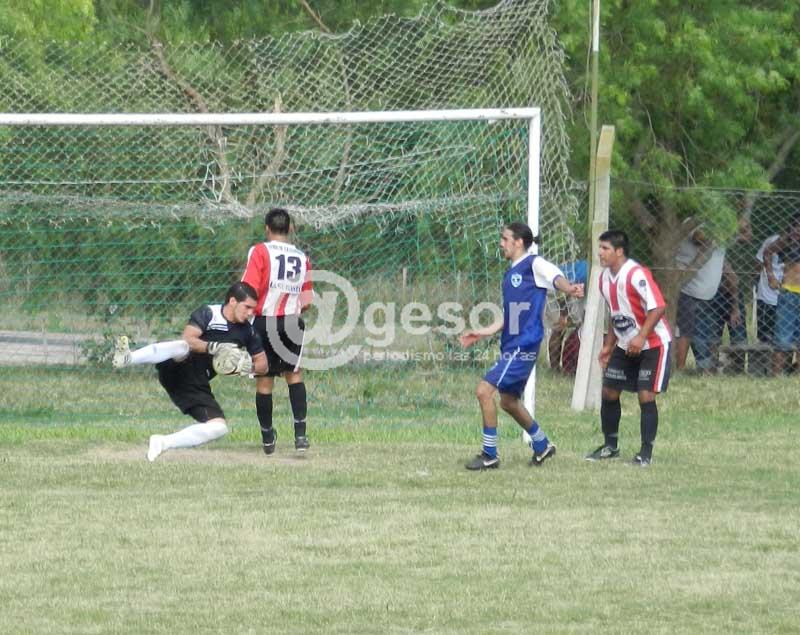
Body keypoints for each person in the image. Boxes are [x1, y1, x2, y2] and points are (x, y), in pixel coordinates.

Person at [458, 222, 584, 470]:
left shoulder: (533, 264)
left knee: (484, 391)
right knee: (508, 401)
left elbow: (554, 275)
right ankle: (542, 445)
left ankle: (489, 454)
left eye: (505, 239)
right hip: (513, 343)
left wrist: (568, 287)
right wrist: (482, 332)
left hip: (523, 343)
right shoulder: (511, 273)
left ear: (518, 242)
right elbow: (512, 315)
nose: (501, 243)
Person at [112, 281, 267, 462]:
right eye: (247, 307)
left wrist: (244, 366)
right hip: (178, 366)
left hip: (195, 383)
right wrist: (215, 347)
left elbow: (263, 364)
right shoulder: (209, 313)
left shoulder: (248, 331)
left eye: (253, 309)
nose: (250, 313)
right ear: (232, 301)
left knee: (219, 427)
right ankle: (127, 358)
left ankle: (163, 442)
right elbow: (189, 338)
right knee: (182, 346)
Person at [586, 230, 671, 467]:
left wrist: (641, 337)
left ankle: (645, 453)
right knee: (609, 393)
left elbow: (658, 307)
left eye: (605, 248)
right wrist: (608, 346)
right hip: (625, 345)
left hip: (653, 344)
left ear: (619, 251)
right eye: (599, 248)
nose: (600, 253)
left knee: (646, 395)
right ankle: (610, 446)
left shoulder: (636, 274)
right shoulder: (604, 279)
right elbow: (617, 315)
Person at [242, 208, 314, 455]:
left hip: (264, 322)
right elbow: (307, 300)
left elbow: (249, 288)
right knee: (294, 375)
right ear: (291, 228)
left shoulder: (260, 251)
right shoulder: (302, 257)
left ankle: (267, 439)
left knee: (264, 381)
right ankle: (301, 436)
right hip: (292, 322)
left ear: (267, 229)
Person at [673, 226, 725, 372]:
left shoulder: (723, 227)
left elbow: (746, 234)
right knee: (685, 332)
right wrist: (723, 231)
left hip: (708, 294)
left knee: (707, 334)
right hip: (688, 290)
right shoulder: (693, 223)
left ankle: (705, 369)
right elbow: (699, 238)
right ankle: (679, 370)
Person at [764, 216, 800, 376]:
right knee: (782, 339)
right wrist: (771, 276)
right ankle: (776, 375)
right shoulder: (787, 241)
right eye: (795, 226)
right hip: (789, 294)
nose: (797, 230)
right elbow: (767, 252)